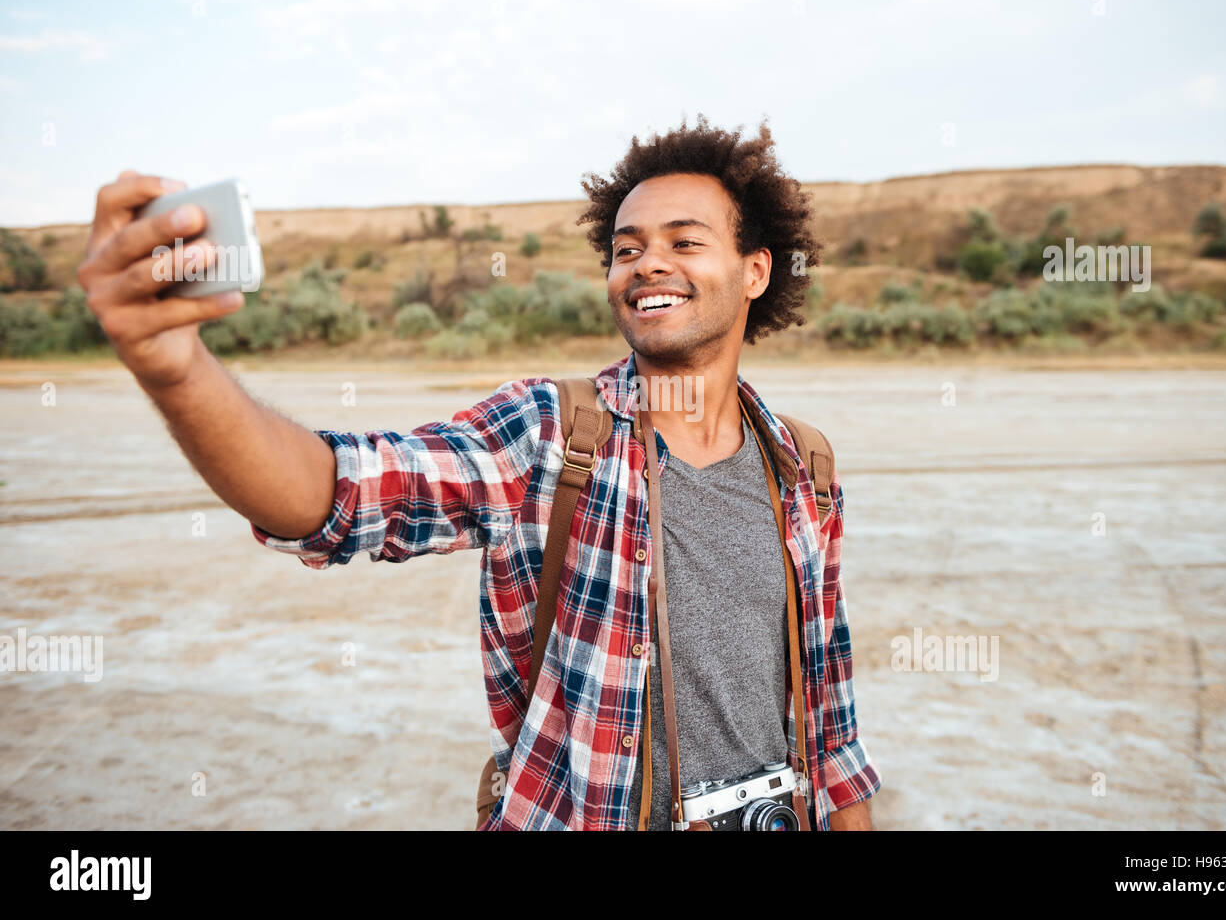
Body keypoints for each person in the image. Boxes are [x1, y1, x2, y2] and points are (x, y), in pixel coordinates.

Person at [76, 114, 882, 830]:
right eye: (625, 248)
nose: (645, 265)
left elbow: (828, 718)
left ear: (755, 271)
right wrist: (176, 371)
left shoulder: (801, 465)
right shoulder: (548, 434)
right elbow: (339, 490)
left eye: (683, 241)